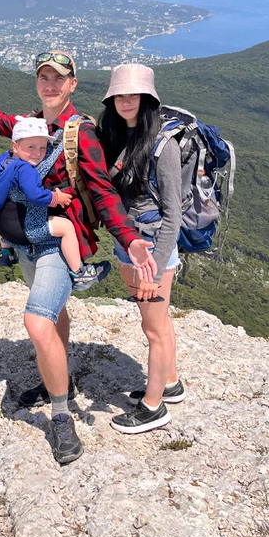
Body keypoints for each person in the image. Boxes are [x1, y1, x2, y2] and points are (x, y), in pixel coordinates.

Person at [0, 51, 157, 465]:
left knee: (36, 321)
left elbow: (102, 190)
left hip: (58, 241)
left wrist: (129, 239)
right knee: (54, 316)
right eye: (44, 77)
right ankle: (60, 380)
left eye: (59, 78)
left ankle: (60, 416)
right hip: (26, 241)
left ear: (73, 83)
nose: (50, 85)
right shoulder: (30, 125)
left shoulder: (81, 134)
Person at [97, 63, 186, 435]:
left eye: (133, 94)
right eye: (119, 95)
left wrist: (156, 266)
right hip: (127, 246)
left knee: (153, 329)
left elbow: (174, 213)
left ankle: (153, 407)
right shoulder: (117, 137)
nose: (125, 101)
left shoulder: (164, 146)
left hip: (153, 251)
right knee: (157, 322)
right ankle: (170, 383)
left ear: (148, 99)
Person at [0, 115, 112, 292]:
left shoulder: (4, 159)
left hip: (3, 227)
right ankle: (80, 273)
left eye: (42, 147)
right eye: (31, 147)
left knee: (8, 204)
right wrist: (57, 198)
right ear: (15, 145)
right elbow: (36, 196)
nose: (38, 153)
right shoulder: (25, 169)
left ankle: (6, 252)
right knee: (66, 228)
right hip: (25, 230)